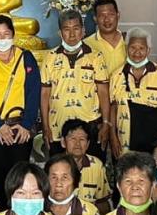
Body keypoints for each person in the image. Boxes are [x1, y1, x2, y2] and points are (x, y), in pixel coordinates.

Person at [0, 15, 41, 208]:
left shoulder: (26, 57)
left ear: (13, 34)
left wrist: (27, 124)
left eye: (6, 34)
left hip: (21, 128)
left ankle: (21, 212)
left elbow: (33, 91)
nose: (2, 39)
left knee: (20, 176)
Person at [40, 9, 111, 156]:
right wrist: (45, 127)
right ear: (60, 33)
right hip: (57, 128)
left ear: (83, 31)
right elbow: (45, 94)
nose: (72, 34)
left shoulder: (96, 57)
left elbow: (103, 92)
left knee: (92, 166)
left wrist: (106, 123)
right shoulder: (50, 57)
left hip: (90, 127)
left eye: (76, 28)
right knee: (60, 168)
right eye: (67, 29)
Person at [110, 29, 157, 157]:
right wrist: (113, 137)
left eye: (141, 48)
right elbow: (113, 107)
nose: (137, 52)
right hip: (125, 141)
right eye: (133, 48)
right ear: (126, 48)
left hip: (155, 140)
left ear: (148, 50)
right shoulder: (117, 75)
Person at [61, 119, 111, 213]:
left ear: (87, 144)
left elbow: (103, 202)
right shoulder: (55, 166)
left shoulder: (97, 166)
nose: (77, 143)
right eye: (73, 139)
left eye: (82, 139)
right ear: (63, 142)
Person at [89, 0, 127, 74]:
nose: (106, 19)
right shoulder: (87, 45)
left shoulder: (129, 41)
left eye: (111, 14)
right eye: (102, 15)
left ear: (118, 15)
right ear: (95, 19)